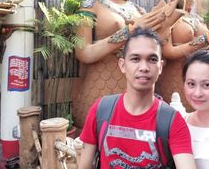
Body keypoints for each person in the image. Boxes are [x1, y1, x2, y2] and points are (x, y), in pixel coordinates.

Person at [72, 0, 184, 126]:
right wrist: (130, 31)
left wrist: (165, 25)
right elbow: (83, 53)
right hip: (102, 82)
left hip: (136, 83)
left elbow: (157, 45)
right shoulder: (89, 5)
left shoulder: (137, 10)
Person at [79, 27, 197, 169]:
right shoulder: (101, 110)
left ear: (160, 67)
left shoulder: (172, 121)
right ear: (123, 65)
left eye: (152, 59)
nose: (144, 67)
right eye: (135, 59)